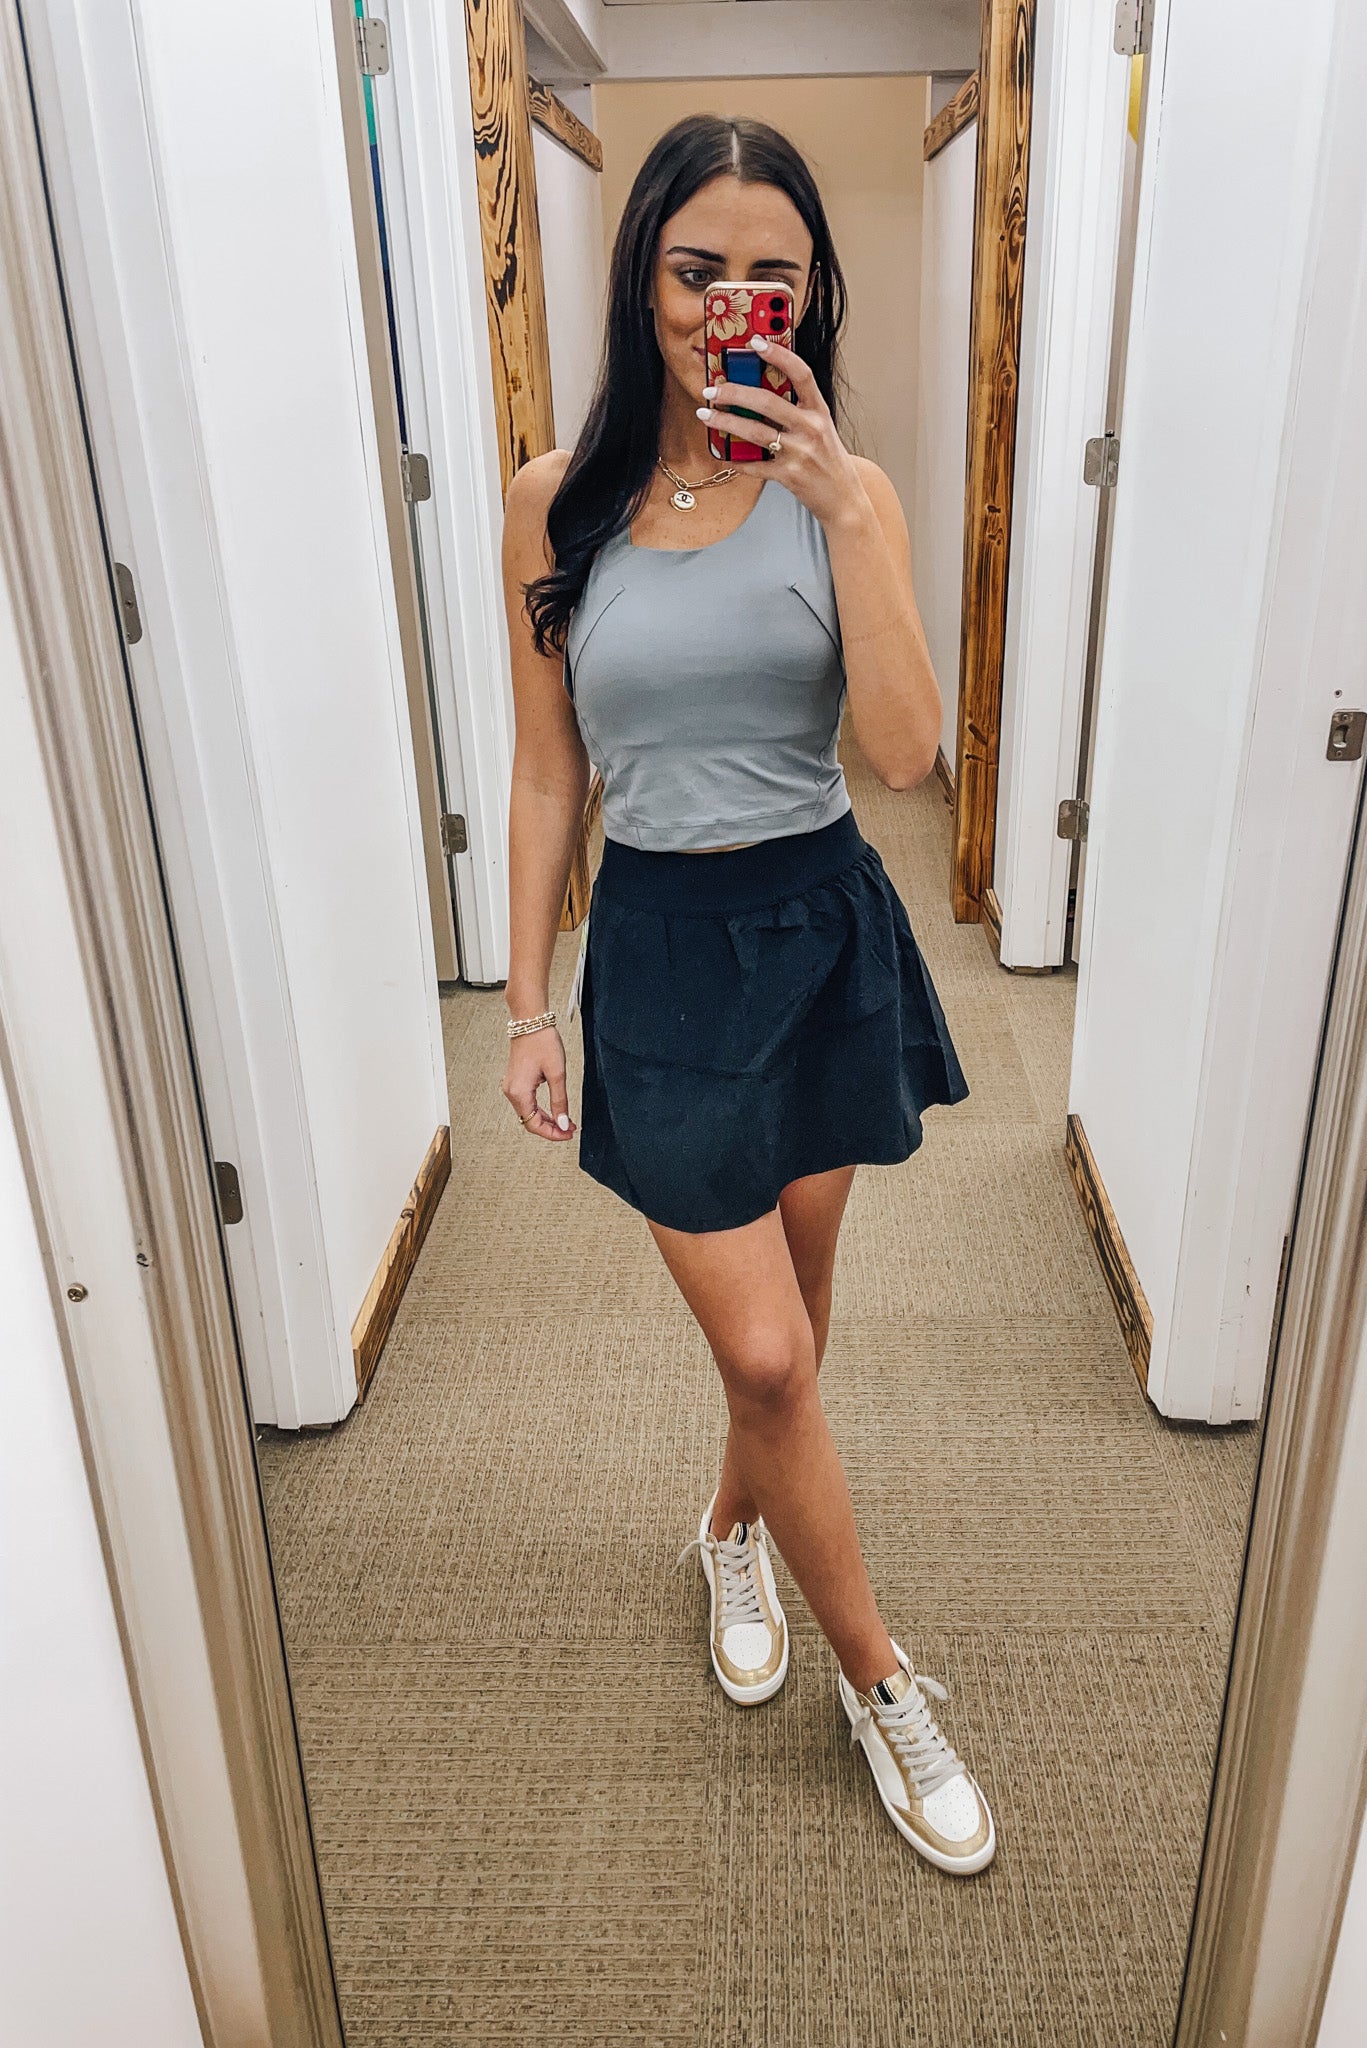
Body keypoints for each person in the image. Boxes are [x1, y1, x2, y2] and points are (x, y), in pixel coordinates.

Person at [498, 113, 995, 1877]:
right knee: (770, 1352)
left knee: (796, 1319)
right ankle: (883, 1684)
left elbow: (908, 756)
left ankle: (731, 1532)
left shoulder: (844, 494)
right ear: (643, 278)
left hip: (821, 930)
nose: (729, 301)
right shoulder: (555, 501)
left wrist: (847, 511)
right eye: (695, 268)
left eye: (767, 274)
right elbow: (547, 772)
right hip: (659, 954)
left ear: (808, 293)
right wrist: (527, 1000)